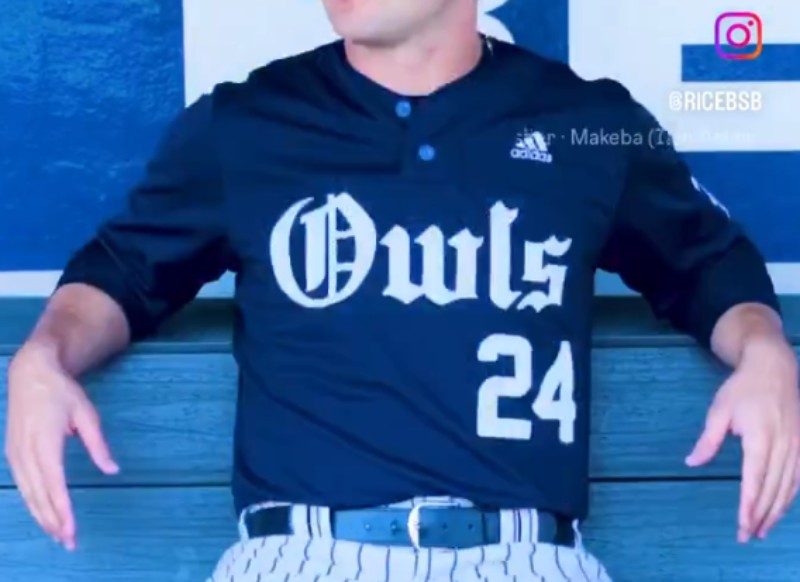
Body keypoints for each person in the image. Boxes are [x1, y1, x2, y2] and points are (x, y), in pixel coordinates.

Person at [5, 0, 800, 580]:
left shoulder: (588, 124)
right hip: (300, 554)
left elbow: (706, 265)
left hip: (524, 555)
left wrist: (764, 350)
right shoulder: (246, 124)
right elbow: (123, 272)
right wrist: (44, 355)